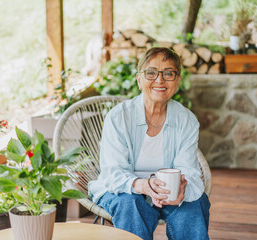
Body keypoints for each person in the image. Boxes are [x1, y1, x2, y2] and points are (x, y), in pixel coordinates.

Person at [88, 47, 210, 240]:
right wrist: (142, 185)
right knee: (130, 203)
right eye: (151, 73)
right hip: (124, 190)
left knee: (195, 203)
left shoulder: (186, 120)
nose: (159, 80)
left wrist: (182, 190)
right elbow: (112, 172)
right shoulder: (119, 118)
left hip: (168, 192)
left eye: (168, 73)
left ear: (177, 81)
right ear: (139, 79)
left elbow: (190, 170)